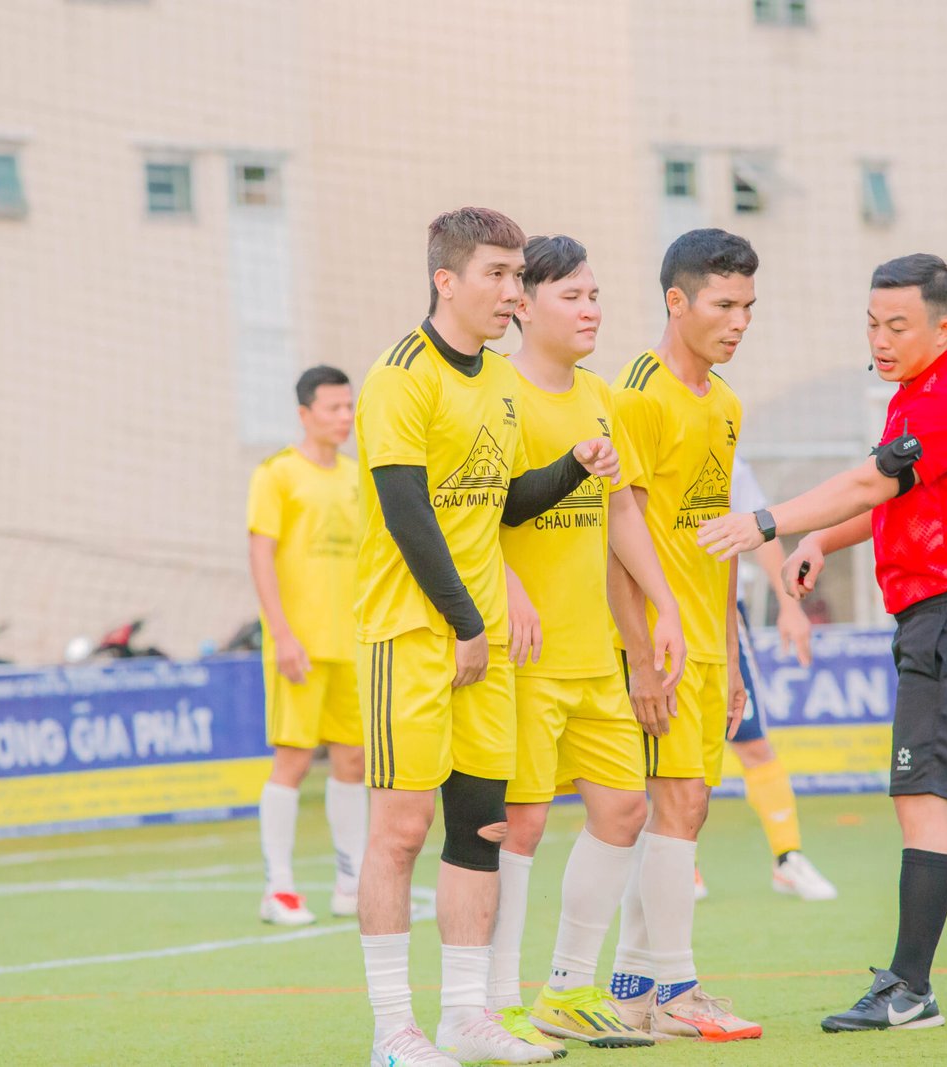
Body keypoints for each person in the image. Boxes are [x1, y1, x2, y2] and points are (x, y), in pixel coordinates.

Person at [698, 253, 947, 1032]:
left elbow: (871, 482)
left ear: (944, 329)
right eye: (872, 324)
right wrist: (822, 539)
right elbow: (891, 496)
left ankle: (909, 990)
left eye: (898, 326)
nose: (880, 340)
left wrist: (768, 522)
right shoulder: (915, 396)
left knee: (922, 798)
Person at [354, 207, 621, 1067]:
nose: (514, 291)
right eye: (498, 275)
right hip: (412, 635)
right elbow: (408, 514)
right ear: (447, 280)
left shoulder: (501, 380)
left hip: (484, 645)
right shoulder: (400, 376)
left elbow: (499, 503)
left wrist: (574, 465)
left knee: (483, 830)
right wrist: (467, 621)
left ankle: (466, 1014)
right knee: (400, 830)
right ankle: (393, 1033)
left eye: (517, 275)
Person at [485, 235, 684, 1053]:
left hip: (594, 653)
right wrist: (507, 584)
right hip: (524, 656)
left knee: (623, 808)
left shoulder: (600, 395)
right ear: (523, 305)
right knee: (521, 822)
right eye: (572, 295)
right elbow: (472, 510)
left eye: (595, 294)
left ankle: (566, 987)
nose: (591, 309)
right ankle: (494, 1001)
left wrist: (664, 604)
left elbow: (621, 510)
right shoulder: (495, 392)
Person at [604, 229, 763, 1043]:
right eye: (724, 304)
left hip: (706, 643)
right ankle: (677, 990)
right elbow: (615, 533)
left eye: (748, 307)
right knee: (675, 804)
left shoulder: (727, 403)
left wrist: (730, 658)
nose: (739, 321)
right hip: (657, 646)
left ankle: (632, 991)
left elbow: (722, 539)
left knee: (685, 811)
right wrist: (639, 653)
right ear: (677, 300)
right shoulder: (636, 393)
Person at [245, 365, 365, 926]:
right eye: (333, 408)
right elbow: (261, 556)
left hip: (353, 646)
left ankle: (351, 883)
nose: (345, 417)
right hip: (299, 647)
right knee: (292, 761)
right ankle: (280, 890)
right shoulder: (276, 474)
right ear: (304, 414)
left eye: (349, 407)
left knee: (353, 760)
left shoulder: (358, 477)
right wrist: (282, 634)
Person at [709, 455, 838, 902]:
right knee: (669, 747)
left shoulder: (728, 459)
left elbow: (758, 527)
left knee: (751, 740)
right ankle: (678, 866)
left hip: (723, 615)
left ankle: (788, 858)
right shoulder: (640, 440)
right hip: (655, 612)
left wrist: (789, 605)